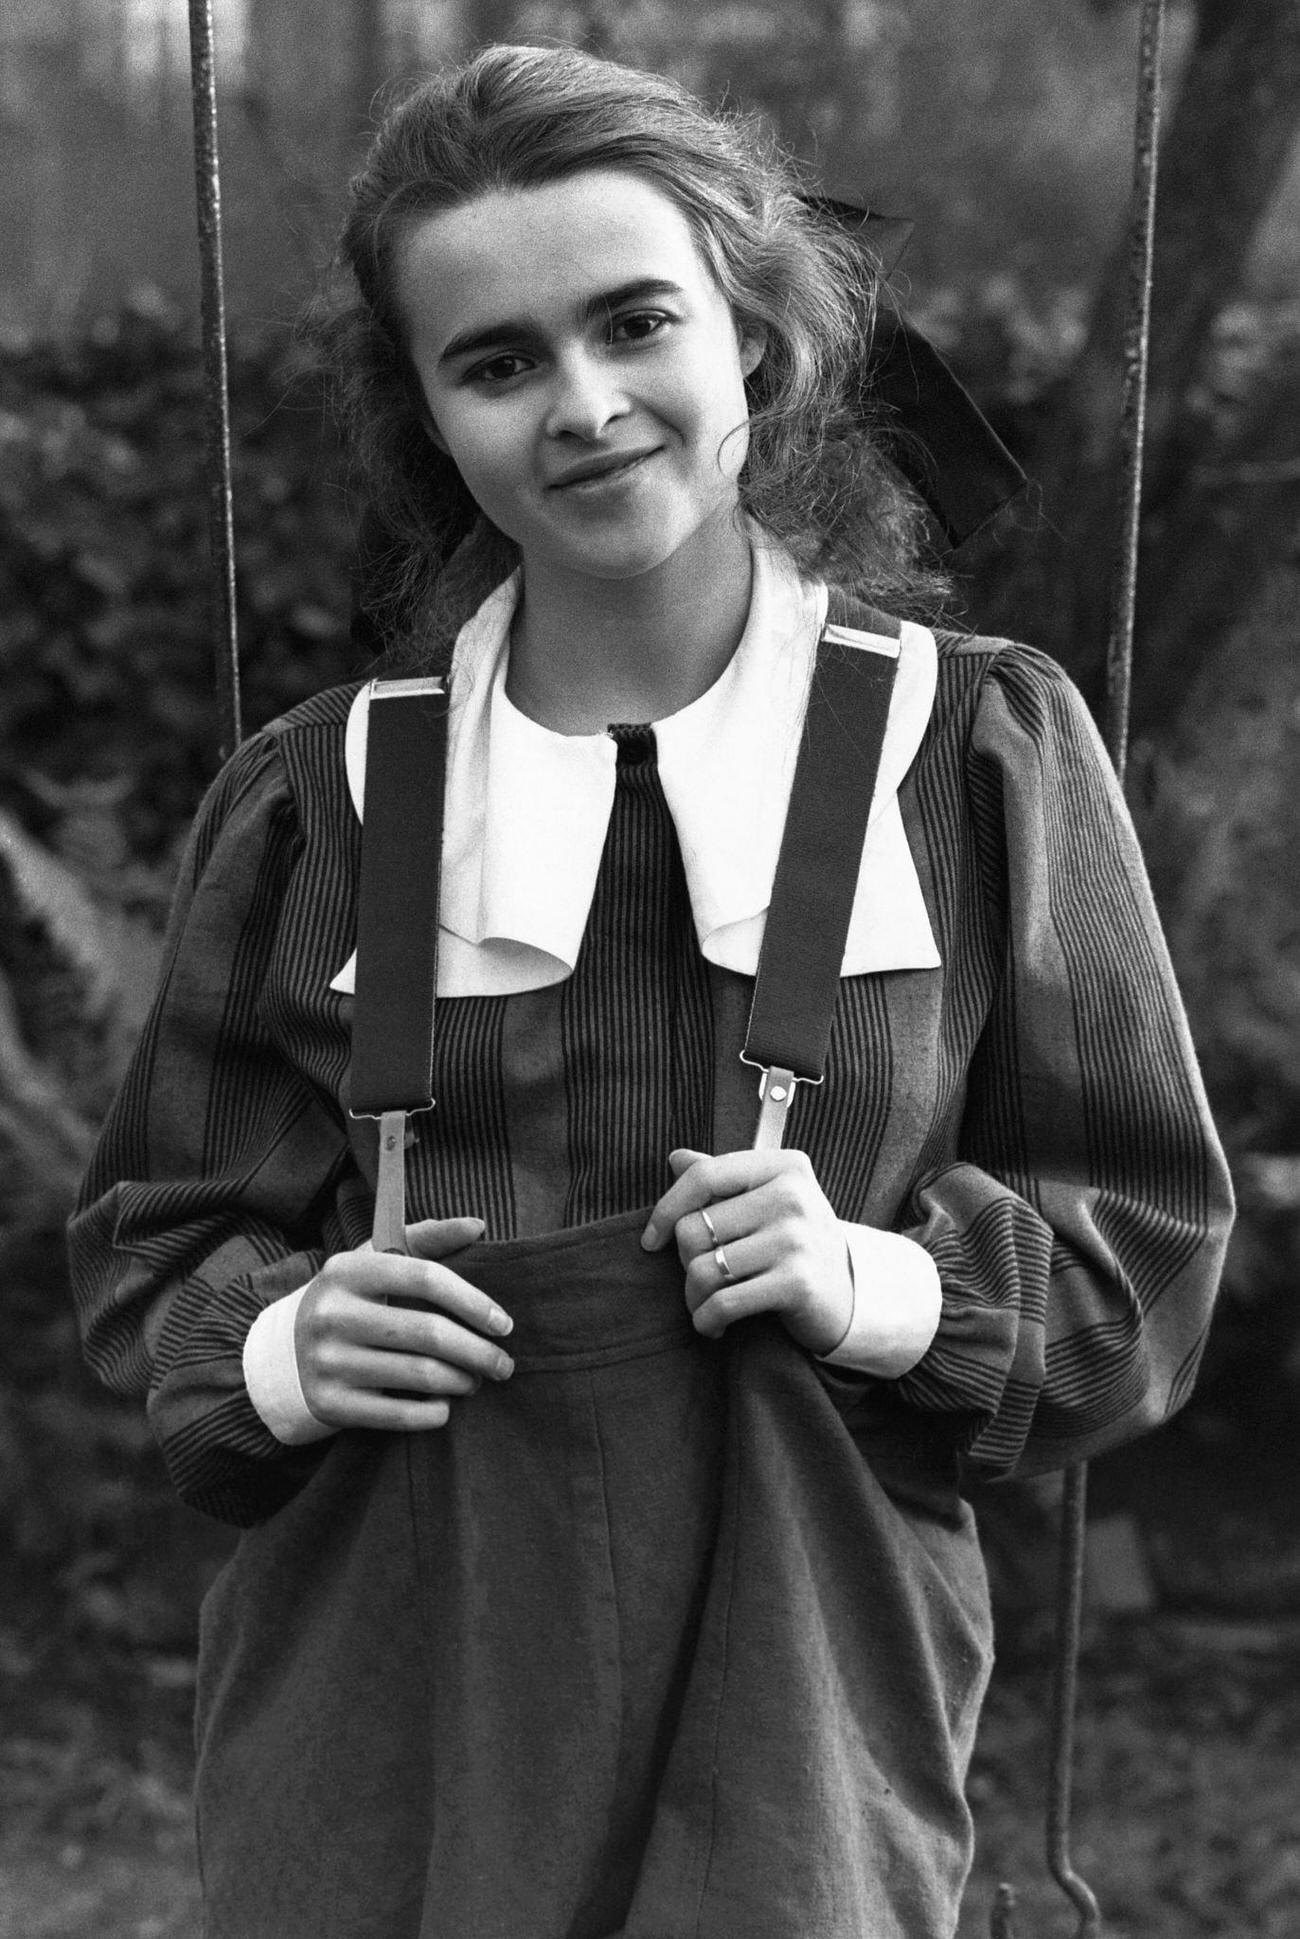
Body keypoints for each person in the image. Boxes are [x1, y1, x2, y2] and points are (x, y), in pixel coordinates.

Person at [69, 42, 1233, 1939]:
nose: (587, 405)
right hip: (398, 1690)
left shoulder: (980, 751)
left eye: (636, 323)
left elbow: (1152, 1254)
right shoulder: (320, 798)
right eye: (500, 360)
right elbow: (153, 1241)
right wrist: (285, 1336)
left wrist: (878, 1280)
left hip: (801, 1692)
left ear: (753, 341)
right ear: (431, 418)